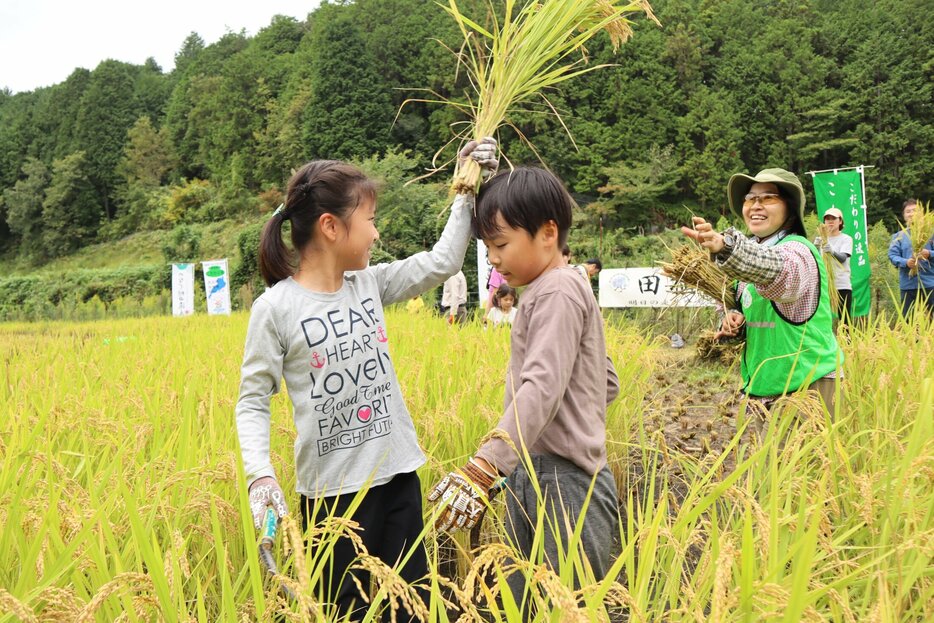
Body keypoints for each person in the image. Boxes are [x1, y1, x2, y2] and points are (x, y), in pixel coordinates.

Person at [236, 140, 497, 621]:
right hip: (332, 500)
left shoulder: (369, 284)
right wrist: (260, 476)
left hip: (398, 479)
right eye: (370, 220)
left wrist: (467, 186)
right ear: (331, 227)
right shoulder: (276, 309)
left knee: (410, 607)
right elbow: (253, 400)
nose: (376, 234)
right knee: (349, 612)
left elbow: (442, 262)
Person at [427, 167, 620, 613]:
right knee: (533, 607)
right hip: (537, 472)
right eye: (488, 247)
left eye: (500, 245)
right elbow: (604, 382)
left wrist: (486, 464)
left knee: (563, 609)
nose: (493, 259)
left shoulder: (554, 292)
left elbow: (542, 386)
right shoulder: (562, 286)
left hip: (564, 485)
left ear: (548, 232)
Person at [681, 168, 843, 422]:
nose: (756, 205)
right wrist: (732, 321)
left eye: (767, 197)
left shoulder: (799, 251)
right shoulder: (744, 269)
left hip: (806, 386)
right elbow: (754, 317)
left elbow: (779, 272)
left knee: (795, 463)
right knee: (765, 463)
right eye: (750, 198)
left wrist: (726, 247)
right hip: (763, 388)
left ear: (789, 207)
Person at [888, 199, 934, 318]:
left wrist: (929, 253)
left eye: (915, 210)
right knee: (908, 319)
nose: (911, 214)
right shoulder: (898, 236)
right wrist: (906, 262)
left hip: (930, 283)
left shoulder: (931, 233)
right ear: (904, 216)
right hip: (908, 285)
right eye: (908, 211)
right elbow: (892, 256)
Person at [815, 207, 854, 322]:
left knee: (845, 319)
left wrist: (832, 252)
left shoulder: (846, 239)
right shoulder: (822, 239)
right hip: (824, 285)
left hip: (842, 284)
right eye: (827, 219)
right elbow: (816, 260)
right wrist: (815, 247)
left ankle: (846, 340)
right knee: (823, 319)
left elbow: (843, 259)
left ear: (840, 221)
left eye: (834, 218)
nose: (830, 221)